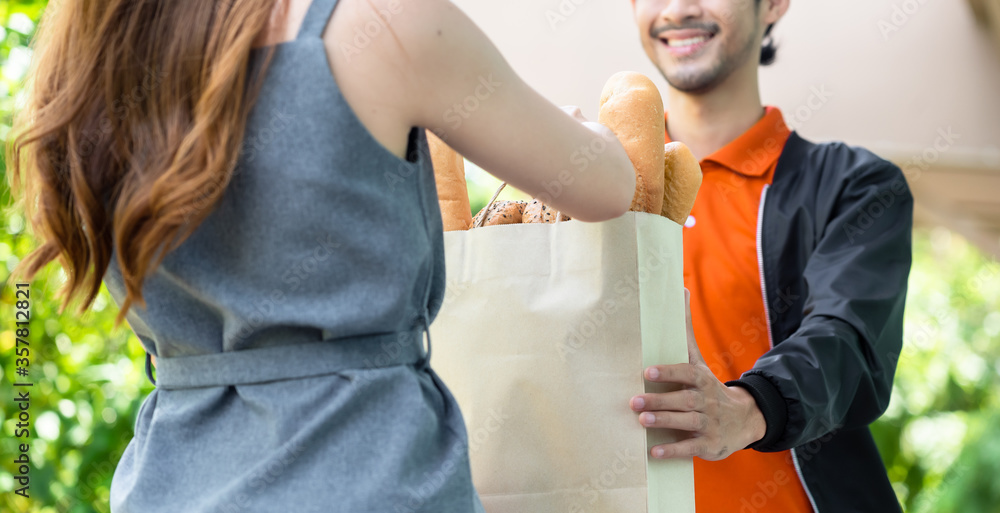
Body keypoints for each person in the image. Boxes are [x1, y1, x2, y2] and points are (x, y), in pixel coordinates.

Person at [6, 0, 636, 511]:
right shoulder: (385, 23)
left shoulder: (87, 59)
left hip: (167, 481)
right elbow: (608, 186)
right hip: (374, 480)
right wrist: (584, 130)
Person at [624, 1, 912, 511]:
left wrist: (749, 407)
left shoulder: (855, 187)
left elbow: (846, 340)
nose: (678, 9)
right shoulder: (598, 188)